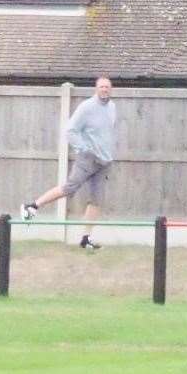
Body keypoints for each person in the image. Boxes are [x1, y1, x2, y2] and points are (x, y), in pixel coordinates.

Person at [19, 76, 116, 251]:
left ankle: (86, 239)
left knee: (96, 201)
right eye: (101, 87)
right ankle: (32, 206)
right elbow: (70, 131)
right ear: (96, 89)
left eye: (107, 87)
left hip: (105, 162)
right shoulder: (87, 108)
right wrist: (84, 148)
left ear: (111, 89)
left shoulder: (112, 107)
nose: (104, 90)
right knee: (70, 188)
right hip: (88, 159)